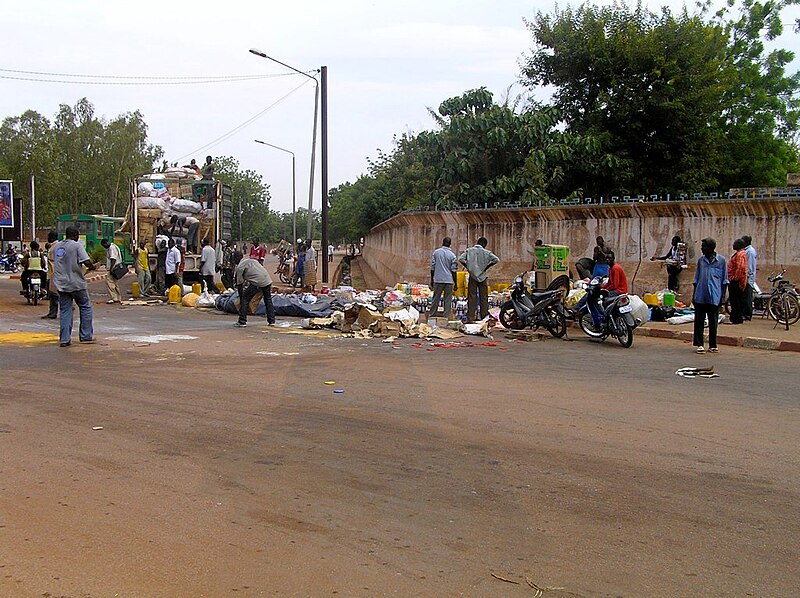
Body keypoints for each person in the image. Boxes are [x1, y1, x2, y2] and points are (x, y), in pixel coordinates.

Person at [53, 226, 97, 347]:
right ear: (75, 235)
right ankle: (86, 335)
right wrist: (93, 267)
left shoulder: (57, 246)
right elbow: (86, 261)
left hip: (61, 284)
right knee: (85, 306)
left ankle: (64, 339)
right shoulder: (76, 246)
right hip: (76, 283)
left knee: (65, 310)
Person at [692, 237, 728, 354]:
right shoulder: (701, 261)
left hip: (714, 296)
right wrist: (693, 295)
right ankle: (699, 344)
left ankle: (713, 344)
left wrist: (722, 298)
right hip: (700, 295)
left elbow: (724, 280)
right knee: (699, 321)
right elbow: (696, 279)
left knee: (713, 322)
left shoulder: (721, 261)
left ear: (710, 248)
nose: (702, 249)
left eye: (704, 247)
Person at [459, 237, 499, 322]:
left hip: (472, 276)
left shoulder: (469, 251)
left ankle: (471, 317)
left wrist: (468, 267)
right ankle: (484, 317)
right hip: (482, 276)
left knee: (471, 297)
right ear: (484, 244)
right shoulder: (487, 252)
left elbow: (460, 259)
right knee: (483, 297)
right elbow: (496, 259)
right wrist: (487, 267)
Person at [233, 257, 275, 327]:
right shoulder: (252, 260)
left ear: (236, 260)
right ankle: (272, 321)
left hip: (257, 282)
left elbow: (239, 285)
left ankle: (242, 321)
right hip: (267, 280)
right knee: (268, 300)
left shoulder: (240, 267)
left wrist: (241, 299)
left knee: (245, 299)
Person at [428, 237, 458, 321]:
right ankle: (446, 318)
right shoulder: (452, 255)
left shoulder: (436, 253)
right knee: (447, 300)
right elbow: (454, 270)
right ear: (450, 244)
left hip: (438, 279)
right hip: (448, 280)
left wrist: (432, 280)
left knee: (436, 298)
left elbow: (432, 268)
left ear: (442, 242)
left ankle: (432, 315)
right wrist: (456, 283)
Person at [727, 238, 748, 325]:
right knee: (736, 300)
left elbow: (740, 268)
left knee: (735, 300)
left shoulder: (740, 254)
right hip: (737, 280)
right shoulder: (741, 254)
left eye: (735, 244)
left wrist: (734, 278)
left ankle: (736, 319)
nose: (733, 245)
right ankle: (736, 318)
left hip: (736, 281)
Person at [42, 231, 60, 319]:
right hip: (52, 272)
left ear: (52, 238)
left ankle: (53, 313)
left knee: (54, 294)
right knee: (53, 294)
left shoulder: (56, 247)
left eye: (48, 237)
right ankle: (52, 312)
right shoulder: (54, 246)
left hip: (55, 273)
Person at [100, 238, 123, 304]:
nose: (104, 247)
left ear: (105, 243)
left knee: (110, 283)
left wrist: (111, 269)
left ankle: (114, 298)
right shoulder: (114, 246)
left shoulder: (111, 248)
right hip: (115, 268)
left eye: (104, 245)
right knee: (115, 283)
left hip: (113, 268)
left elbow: (113, 259)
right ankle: (118, 298)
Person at [742, 235, 757, 321]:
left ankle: (747, 314)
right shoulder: (747, 251)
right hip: (746, 278)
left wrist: (746, 277)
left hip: (748, 278)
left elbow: (750, 267)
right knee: (744, 296)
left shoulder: (750, 252)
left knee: (747, 296)